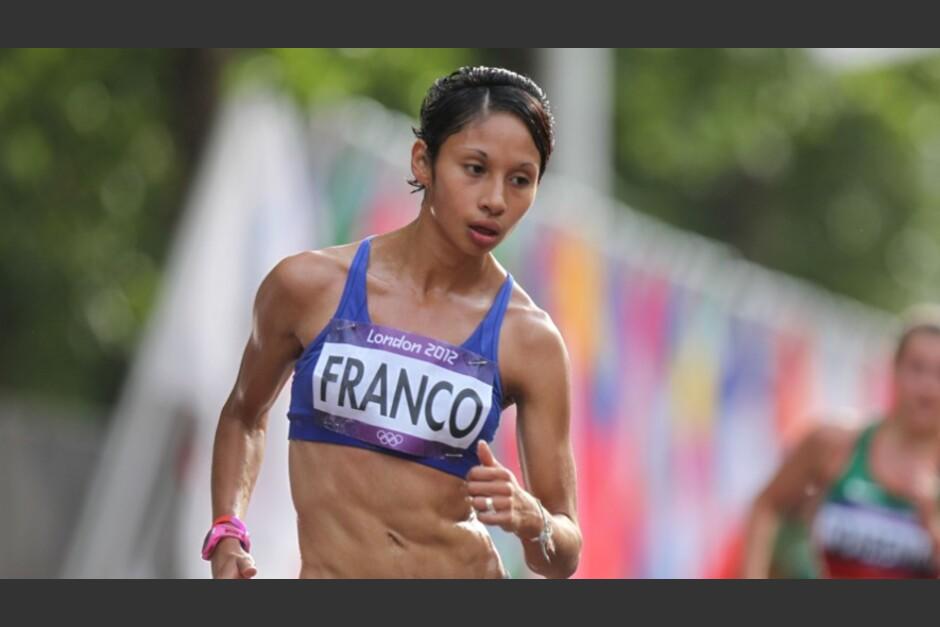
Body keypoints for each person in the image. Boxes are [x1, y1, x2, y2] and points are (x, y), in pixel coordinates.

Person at [203, 66, 582, 579]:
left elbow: (562, 552)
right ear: (423, 161)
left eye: (520, 179)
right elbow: (243, 415)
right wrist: (228, 531)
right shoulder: (308, 287)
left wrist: (529, 517)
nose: (496, 199)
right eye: (475, 168)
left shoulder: (528, 337)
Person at [742, 305, 940, 578]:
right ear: (894, 369)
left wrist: (930, 517)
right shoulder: (835, 444)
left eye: (939, 373)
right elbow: (766, 506)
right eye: (917, 368)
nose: (927, 387)